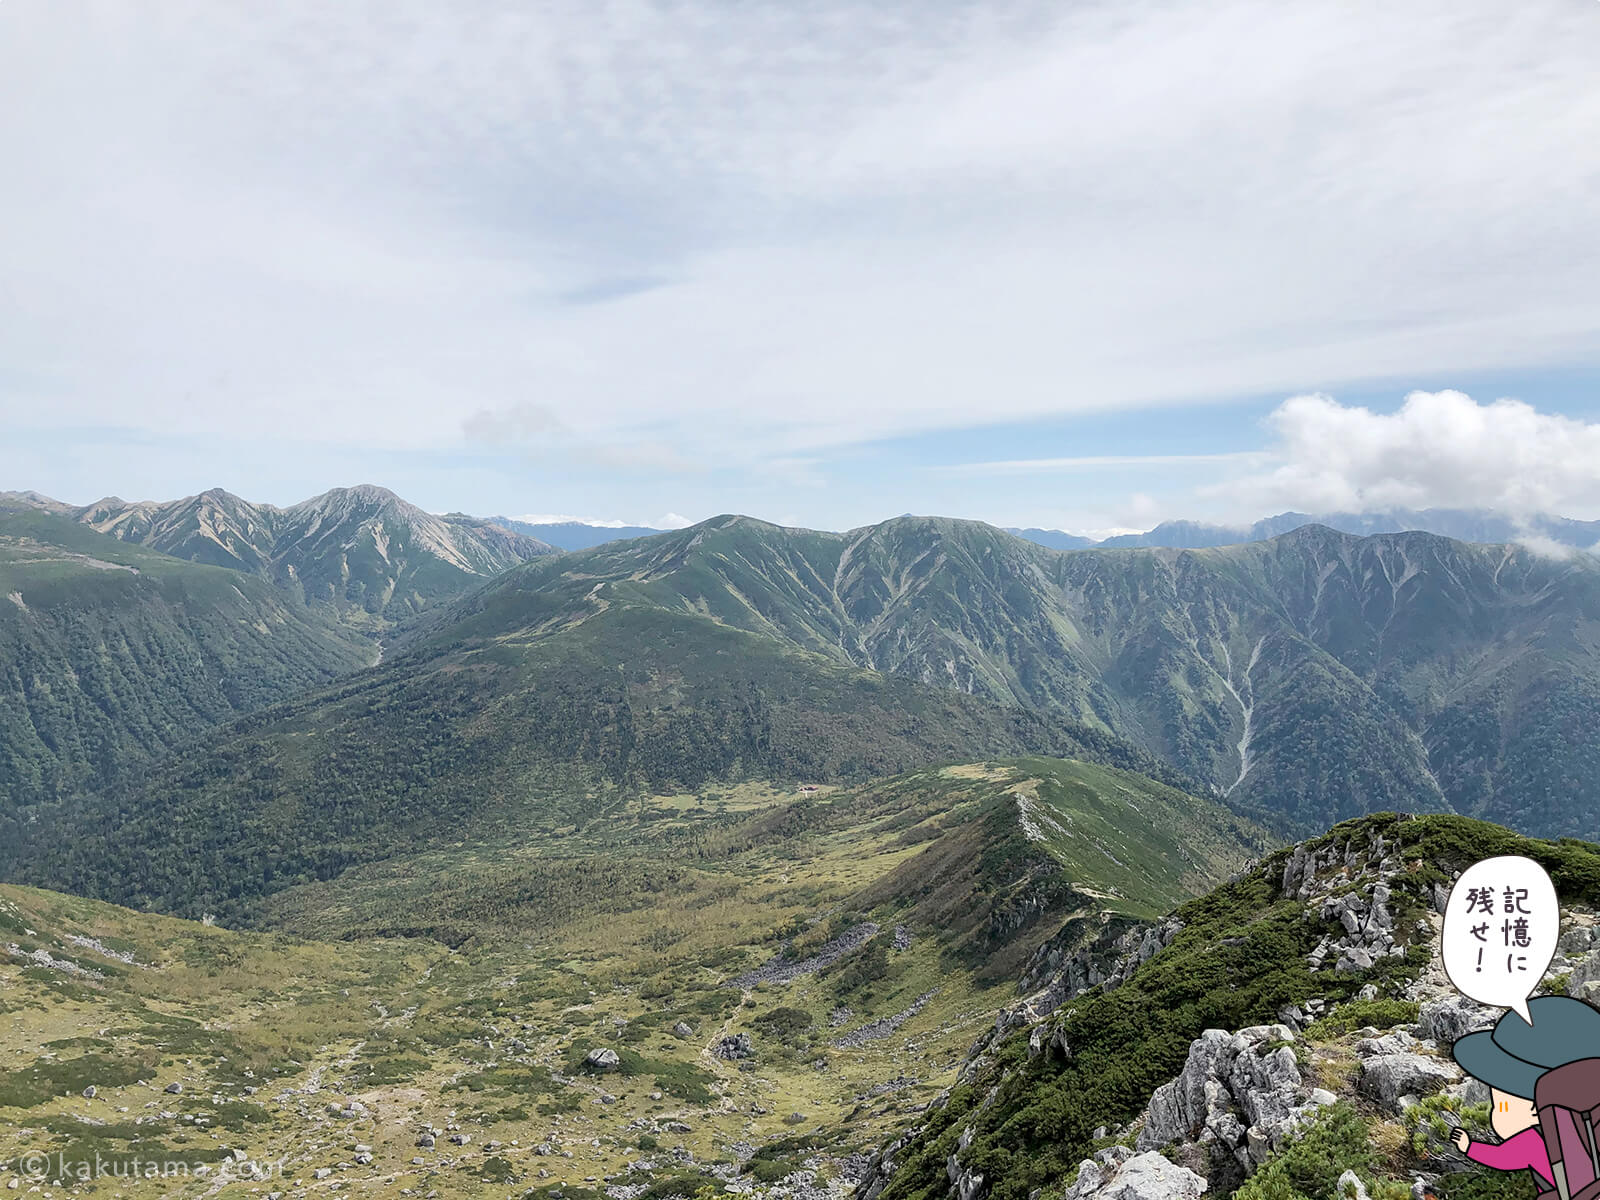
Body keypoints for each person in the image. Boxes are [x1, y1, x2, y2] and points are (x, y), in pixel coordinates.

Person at [1449, 995, 1600, 1192]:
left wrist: (1469, 1147)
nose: (1496, 1110)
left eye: (1500, 1105)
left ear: (1534, 1109)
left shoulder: (1531, 1140)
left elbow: (1501, 1157)